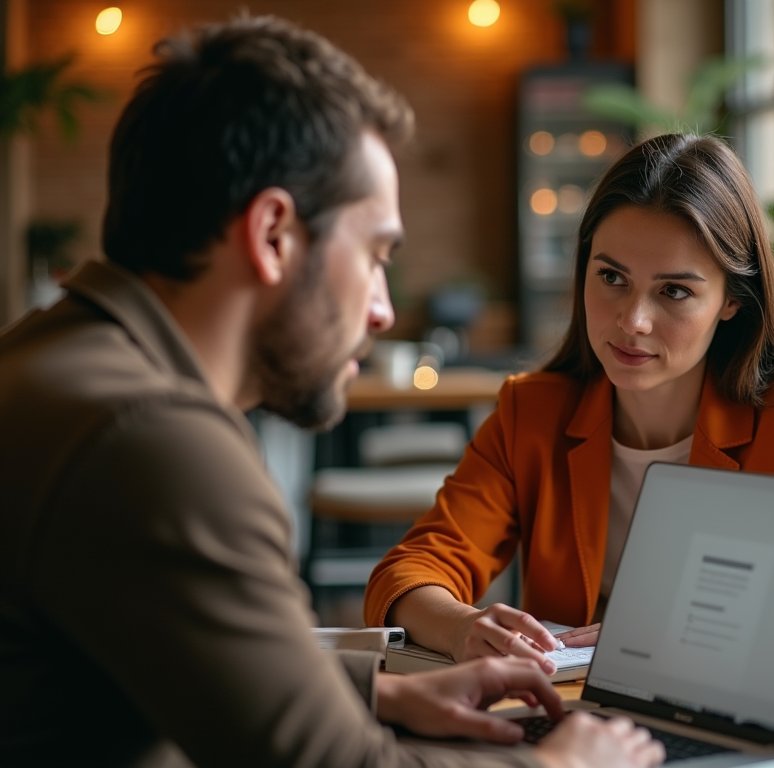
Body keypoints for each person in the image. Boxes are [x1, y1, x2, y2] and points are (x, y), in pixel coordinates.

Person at [0, 15, 665, 768]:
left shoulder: (50, 362)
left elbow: (166, 653)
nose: (382, 308)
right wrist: (563, 765)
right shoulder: (150, 437)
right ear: (273, 234)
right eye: (377, 253)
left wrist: (383, 691)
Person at [364, 133, 774, 679]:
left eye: (674, 291)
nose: (632, 321)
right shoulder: (531, 413)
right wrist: (463, 628)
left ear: (731, 300)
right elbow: (410, 574)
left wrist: (713, 646)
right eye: (611, 277)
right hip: (575, 734)